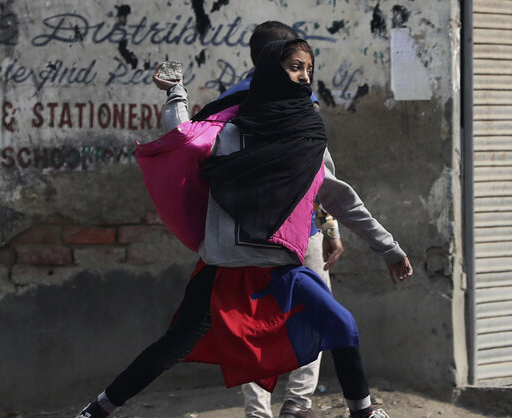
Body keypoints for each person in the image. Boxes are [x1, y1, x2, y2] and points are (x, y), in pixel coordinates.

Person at [77, 39, 411, 418]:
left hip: (281, 270)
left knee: (343, 325)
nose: (303, 77)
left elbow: (339, 197)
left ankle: (362, 412)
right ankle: (98, 409)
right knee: (174, 346)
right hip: (226, 269)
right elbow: (183, 137)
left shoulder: (308, 138)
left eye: (308, 70)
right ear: (270, 70)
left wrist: (390, 249)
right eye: (295, 67)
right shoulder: (232, 131)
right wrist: (175, 92)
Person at [218, 21, 339, 418]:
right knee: (314, 311)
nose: (303, 72)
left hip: (248, 233)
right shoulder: (300, 97)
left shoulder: (229, 101)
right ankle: (298, 403)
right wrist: (330, 225)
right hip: (298, 231)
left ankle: (260, 411)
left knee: (251, 321)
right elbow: (318, 169)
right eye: (295, 60)